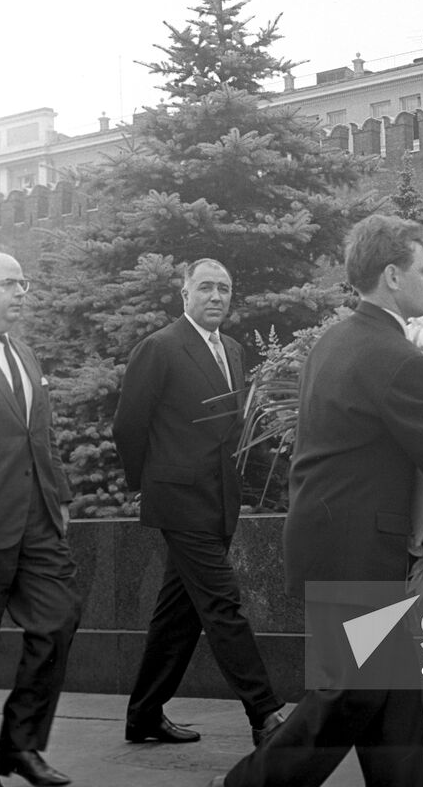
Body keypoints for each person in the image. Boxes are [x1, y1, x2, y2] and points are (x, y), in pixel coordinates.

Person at [214, 215, 423, 787]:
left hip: (334, 541)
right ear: (392, 275)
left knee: (390, 701)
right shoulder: (398, 358)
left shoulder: (337, 340)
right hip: (357, 550)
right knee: (349, 694)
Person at [113, 258, 288, 748]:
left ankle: (143, 715)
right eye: (206, 287)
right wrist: (144, 483)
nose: (216, 296)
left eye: (225, 289)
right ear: (184, 294)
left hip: (220, 500)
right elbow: (128, 425)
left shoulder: (231, 349)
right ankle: (266, 714)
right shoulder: (160, 347)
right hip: (179, 499)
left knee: (180, 612)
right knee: (221, 604)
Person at [0, 252, 80, 787]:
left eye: (24, 283)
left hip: (36, 518)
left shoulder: (25, 353)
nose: (22, 292)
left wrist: (62, 496)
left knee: (58, 620)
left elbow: (41, 436)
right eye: (10, 283)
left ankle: (20, 745)